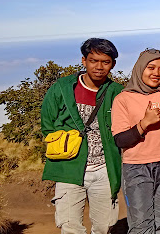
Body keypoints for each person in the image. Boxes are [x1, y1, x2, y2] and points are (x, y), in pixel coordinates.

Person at [41, 38, 124, 234]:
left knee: (104, 227)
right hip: (69, 168)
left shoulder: (117, 92)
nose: (99, 67)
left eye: (105, 62)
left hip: (105, 169)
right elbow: (47, 125)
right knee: (70, 227)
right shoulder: (62, 88)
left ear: (113, 64)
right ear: (83, 60)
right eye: (93, 60)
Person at [111, 49, 160, 234]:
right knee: (141, 223)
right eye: (151, 67)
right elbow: (120, 139)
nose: (156, 73)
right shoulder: (123, 99)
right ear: (140, 68)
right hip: (136, 167)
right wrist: (144, 123)